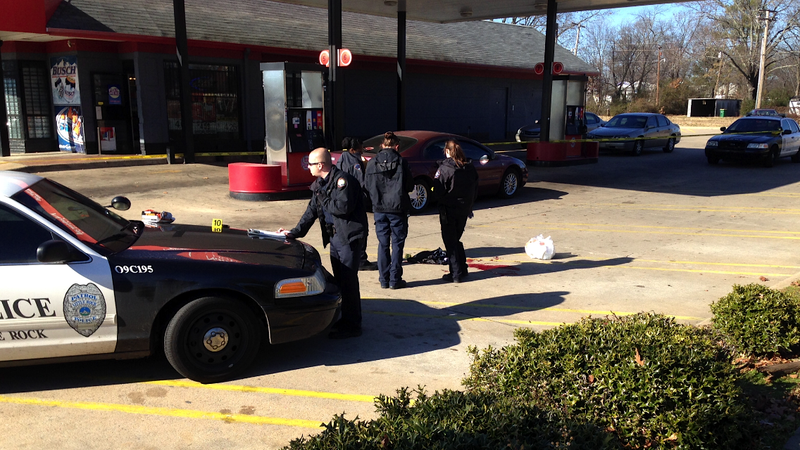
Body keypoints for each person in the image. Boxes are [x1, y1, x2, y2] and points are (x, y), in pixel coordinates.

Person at [278, 147, 367, 339]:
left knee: (348, 281)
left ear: (321, 165)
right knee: (340, 279)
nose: (307, 167)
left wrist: (322, 195)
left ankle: (353, 325)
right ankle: (345, 318)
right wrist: (294, 233)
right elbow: (310, 212)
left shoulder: (343, 181)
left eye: (310, 164)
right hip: (335, 237)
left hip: (348, 238)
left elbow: (342, 208)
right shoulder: (320, 184)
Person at [364, 131, 414, 289]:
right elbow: (410, 186)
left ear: (382, 145)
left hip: (379, 208)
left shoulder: (372, 162)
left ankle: (384, 279)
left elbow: (367, 185)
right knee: (397, 245)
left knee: (383, 244)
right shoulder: (401, 162)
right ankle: (395, 279)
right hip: (397, 209)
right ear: (397, 146)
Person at [433, 139, 478, 283]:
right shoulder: (469, 168)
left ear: (447, 151)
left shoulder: (445, 168)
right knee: (456, 239)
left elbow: (438, 189)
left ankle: (456, 273)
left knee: (450, 242)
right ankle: (462, 268)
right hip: (464, 209)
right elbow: (475, 188)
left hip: (449, 209)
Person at [336, 137, 378, 271]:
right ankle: (361, 259)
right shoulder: (355, 163)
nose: (362, 150)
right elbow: (362, 183)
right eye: (360, 148)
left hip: (343, 200)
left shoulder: (341, 158)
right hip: (356, 200)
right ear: (353, 149)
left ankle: (352, 257)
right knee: (361, 229)